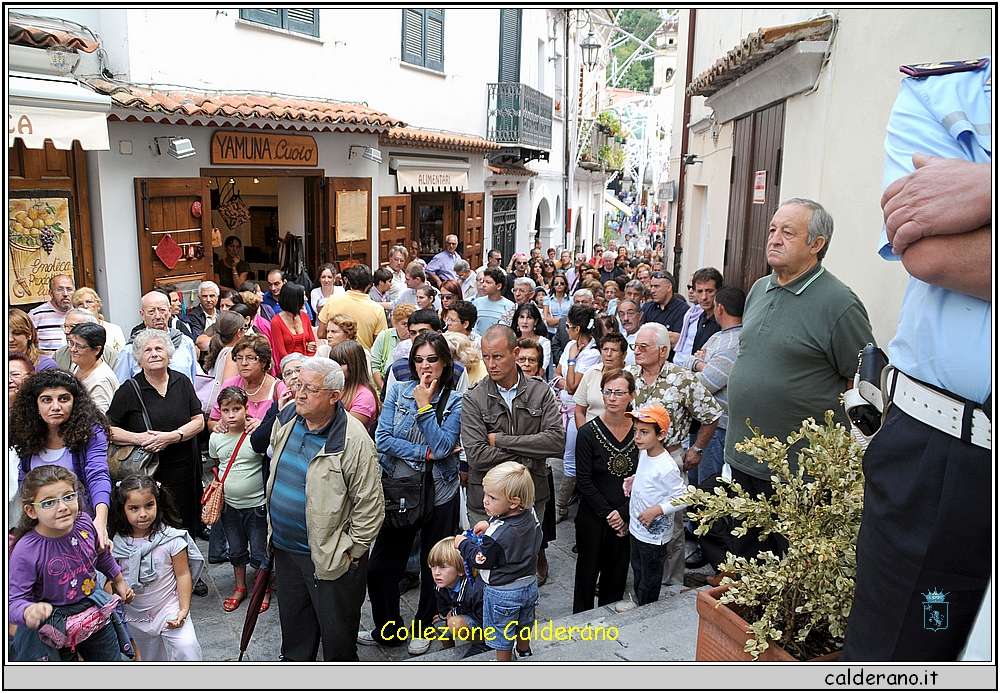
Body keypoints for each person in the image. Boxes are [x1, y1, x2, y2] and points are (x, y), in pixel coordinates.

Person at [842, 58, 991, 662]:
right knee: (897, 664)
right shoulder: (947, 95)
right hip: (946, 463)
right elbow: (930, 253)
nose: (773, 239)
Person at [724, 199, 875, 562]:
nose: (774, 239)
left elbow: (862, 382)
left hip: (799, 474)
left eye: (787, 232)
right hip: (744, 461)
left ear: (816, 244)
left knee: (793, 573)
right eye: (773, 229)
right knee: (746, 564)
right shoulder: (760, 290)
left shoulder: (839, 303)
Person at [266, 357, 384, 661]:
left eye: (310, 389)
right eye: (297, 384)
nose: (299, 393)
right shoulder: (288, 415)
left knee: (337, 639)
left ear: (334, 396)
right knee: (295, 633)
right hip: (286, 550)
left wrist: (352, 552)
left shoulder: (353, 439)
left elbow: (370, 506)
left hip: (330, 558)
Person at [360, 332, 463, 656]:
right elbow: (384, 439)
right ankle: (388, 628)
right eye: (419, 359)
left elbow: (446, 445)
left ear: (445, 361)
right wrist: (425, 453)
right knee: (380, 568)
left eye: (432, 359)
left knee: (438, 566)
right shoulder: (398, 390)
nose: (425, 366)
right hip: (400, 490)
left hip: (440, 490)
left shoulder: (456, 399)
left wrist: (424, 407)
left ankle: (423, 624)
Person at [626, 322, 723, 586]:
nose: (637, 351)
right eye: (635, 346)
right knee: (637, 515)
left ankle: (670, 583)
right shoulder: (629, 375)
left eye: (643, 346)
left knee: (672, 522)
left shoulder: (682, 379)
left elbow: (712, 414)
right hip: (637, 457)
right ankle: (643, 580)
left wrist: (697, 449)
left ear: (663, 350)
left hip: (669, 456)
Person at [9, 466, 134, 661]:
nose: (62, 507)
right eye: (49, 502)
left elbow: (100, 554)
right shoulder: (25, 551)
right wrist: (27, 611)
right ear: (31, 510)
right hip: (51, 626)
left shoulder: (84, 523)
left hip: (93, 612)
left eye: (68, 496)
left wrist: (118, 580)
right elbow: (14, 601)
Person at [461, 325, 563, 530]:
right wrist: (529, 455)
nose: (491, 364)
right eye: (486, 357)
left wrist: (499, 440)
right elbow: (477, 456)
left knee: (527, 559)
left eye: (498, 357)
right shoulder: (474, 398)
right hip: (486, 501)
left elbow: (556, 442)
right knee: (484, 560)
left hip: (530, 495)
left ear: (515, 353)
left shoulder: (540, 391)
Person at [108, 329, 206, 535]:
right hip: (146, 473)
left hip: (183, 470)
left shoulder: (181, 382)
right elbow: (108, 429)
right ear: (139, 359)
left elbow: (198, 421)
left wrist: (172, 437)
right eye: (148, 350)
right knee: (151, 527)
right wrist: (139, 438)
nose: (154, 354)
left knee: (183, 524)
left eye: (159, 349)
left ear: (169, 355)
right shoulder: (129, 389)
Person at [680, 285, 745, 580]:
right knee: (698, 485)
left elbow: (705, 383)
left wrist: (698, 364)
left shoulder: (735, 342)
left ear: (719, 308)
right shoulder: (719, 336)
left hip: (720, 427)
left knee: (710, 488)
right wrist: (699, 362)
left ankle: (708, 548)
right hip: (705, 422)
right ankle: (696, 535)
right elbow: (695, 362)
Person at [11, 368, 115, 550]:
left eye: (63, 399)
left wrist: (100, 520)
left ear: (75, 402)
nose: (56, 406)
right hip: (42, 531)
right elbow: (25, 481)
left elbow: (98, 475)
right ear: (35, 405)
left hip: (82, 525)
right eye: (46, 400)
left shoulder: (90, 432)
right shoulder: (26, 432)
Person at [109, 474, 204, 661]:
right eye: (134, 508)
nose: (143, 513)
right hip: (137, 615)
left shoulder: (172, 540)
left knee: (188, 648)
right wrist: (119, 591)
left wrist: (183, 610)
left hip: (169, 608)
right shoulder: (117, 545)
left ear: (158, 503)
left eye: (148, 505)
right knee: (151, 659)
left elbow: (183, 574)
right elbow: (112, 578)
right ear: (122, 509)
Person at [455, 461, 542, 661]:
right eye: (486, 494)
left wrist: (462, 544)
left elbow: (480, 559)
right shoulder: (530, 513)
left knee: (501, 633)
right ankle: (524, 652)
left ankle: (503, 664)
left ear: (513, 501)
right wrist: (490, 522)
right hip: (529, 584)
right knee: (524, 623)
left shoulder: (497, 535)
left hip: (503, 592)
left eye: (492, 498)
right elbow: (513, 527)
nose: (485, 501)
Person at [572, 369, 638, 613]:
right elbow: (584, 480)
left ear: (631, 395)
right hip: (593, 517)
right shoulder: (588, 433)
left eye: (619, 393)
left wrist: (624, 514)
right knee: (587, 576)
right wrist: (611, 515)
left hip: (626, 515)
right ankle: (580, 627)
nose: (612, 398)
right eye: (608, 392)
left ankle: (610, 625)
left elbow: (644, 478)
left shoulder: (639, 431)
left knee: (616, 576)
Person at [209, 387, 269, 615]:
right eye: (226, 410)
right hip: (229, 506)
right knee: (235, 549)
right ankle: (240, 586)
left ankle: (262, 589)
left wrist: (259, 423)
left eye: (237, 409)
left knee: (258, 550)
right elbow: (218, 461)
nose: (232, 415)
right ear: (220, 412)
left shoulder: (256, 435)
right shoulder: (216, 438)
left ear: (246, 409)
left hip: (256, 506)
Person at [622, 403, 687, 607]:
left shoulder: (666, 466)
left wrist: (658, 510)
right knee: (638, 568)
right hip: (637, 528)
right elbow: (648, 478)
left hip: (654, 536)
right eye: (635, 431)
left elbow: (684, 496)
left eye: (644, 432)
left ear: (660, 435)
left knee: (650, 576)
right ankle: (639, 602)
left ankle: (646, 609)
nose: (637, 437)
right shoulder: (644, 453)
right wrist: (634, 479)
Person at [551, 305, 604, 524]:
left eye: (569, 326)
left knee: (571, 459)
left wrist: (571, 363)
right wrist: (565, 381)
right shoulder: (571, 345)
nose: (566, 329)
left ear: (578, 328)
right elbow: (556, 376)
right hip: (563, 408)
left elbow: (572, 387)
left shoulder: (592, 353)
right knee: (564, 456)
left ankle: (560, 505)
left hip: (578, 412)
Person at [116, 291, 200, 383]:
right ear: (142, 315)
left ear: (169, 311)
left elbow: (195, 381)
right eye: (151, 312)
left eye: (162, 310)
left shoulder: (185, 343)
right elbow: (122, 386)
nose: (158, 316)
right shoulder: (131, 350)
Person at [208, 335, 284, 433]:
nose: (244, 363)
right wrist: (219, 426)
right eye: (239, 358)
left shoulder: (278, 389)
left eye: (250, 358)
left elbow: (287, 426)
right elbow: (212, 421)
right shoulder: (230, 384)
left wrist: (264, 427)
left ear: (264, 362)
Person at [428, 536, 487, 658]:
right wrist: (444, 616)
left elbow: (484, 617)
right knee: (439, 623)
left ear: (461, 570)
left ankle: (483, 644)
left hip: (482, 621)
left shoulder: (475, 590)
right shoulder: (440, 583)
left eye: (443, 567)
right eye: (433, 566)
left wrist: (454, 614)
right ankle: (448, 651)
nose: (436, 572)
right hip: (463, 614)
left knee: (454, 623)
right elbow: (442, 605)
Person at [317, 264, 387, 350]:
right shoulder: (377, 310)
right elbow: (380, 345)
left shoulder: (332, 300)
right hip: (362, 358)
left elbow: (321, 333)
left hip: (335, 356)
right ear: (369, 285)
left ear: (348, 282)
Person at [574, 332, 628, 430]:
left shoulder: (630, 375)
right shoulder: (592, 372)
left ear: (624, 355)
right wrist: (584, 434)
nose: (608, 354)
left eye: (614, 350)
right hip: (590, 432)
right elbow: (579, 411)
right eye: (605, 349)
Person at [672, 267, 723, 365]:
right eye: (699, 291)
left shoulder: (722, 320)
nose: (704, 297)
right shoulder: (701, 317)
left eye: (709, 291)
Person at [67, 323, 119, 413]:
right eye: (71, 343)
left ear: (96, 350)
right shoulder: (77, 365)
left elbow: (100, 418)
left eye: (79, 346)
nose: (72, 349)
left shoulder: (102, 380)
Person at [330, 341, 380, 430]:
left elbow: (347, 429)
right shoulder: (333, 386)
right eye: (333, 363)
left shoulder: (365, 396)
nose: (335, 368)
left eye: (340, 364)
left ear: (353, 365)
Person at [269, 282, 317, 369]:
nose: (305, 299)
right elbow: (281, 352)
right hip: (288, 366)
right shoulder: (276, 322)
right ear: (294, 300)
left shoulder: (305, 317)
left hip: (307, 364)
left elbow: (312, 343)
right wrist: (296, 366)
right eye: (302, 297)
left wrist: (308, 358)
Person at [372, 303, 417, 392]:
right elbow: (375, 366)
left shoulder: (417, 338)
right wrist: (386, 392)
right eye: (404, 324)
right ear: (395, 323)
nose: (408, 329)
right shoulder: (385, 336)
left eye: (411, 324)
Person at [28, 274, 75, 355]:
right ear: (51, 293)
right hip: (48, 366)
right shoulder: (36, 315)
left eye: (69, 289)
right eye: (59, 289)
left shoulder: (80, 313)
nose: (65, 294)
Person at [72, 287, 127, 354]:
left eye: (89, 302)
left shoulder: (114, 329)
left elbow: (122, 355)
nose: (85, 306)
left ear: (98, 305)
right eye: (80, 304)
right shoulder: (72, 332)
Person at [473, 267, 514, 335]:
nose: (483, 285)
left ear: (498, 286)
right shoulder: (477, 303)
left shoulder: (509, 306)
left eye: (488, 282)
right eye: (483, 281)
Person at [512, 302, 551, 372]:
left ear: (535, 321)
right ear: (517, 320)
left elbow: (541, 370)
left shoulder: (544, 343)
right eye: (522, 317)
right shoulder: (511, 340)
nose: (524, 321)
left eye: (529, 318)